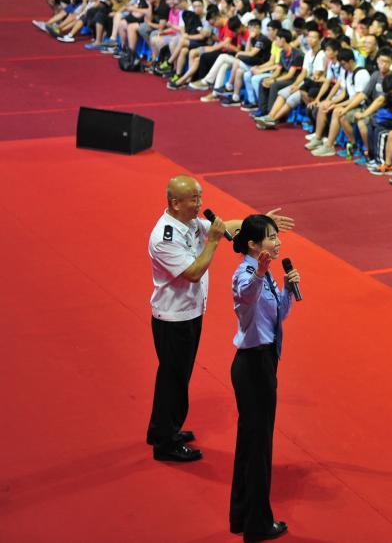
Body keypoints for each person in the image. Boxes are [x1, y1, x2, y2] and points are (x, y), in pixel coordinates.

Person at [147, 176, 293, 462]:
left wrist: (261, 222)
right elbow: (193, 272)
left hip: (189, 312)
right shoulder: (164, 236)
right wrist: (212, 242)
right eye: (194, 200)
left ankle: (162, 428)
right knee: (174, 378)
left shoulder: (188, 222)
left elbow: (226, 227)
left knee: (176, 376)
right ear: (175, 203)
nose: (200, 205)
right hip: (173, 317)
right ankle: (166, 441)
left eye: (200, 198)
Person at [229, 215, 299, 541]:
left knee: (250, 443)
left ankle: (242, 514)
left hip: (266, 359)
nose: (277, 242)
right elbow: (246, 297)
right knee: (259, 449)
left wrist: (287, 289)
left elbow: (277, 316)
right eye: (271, 237)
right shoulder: (246, 273)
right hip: (253, 366)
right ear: (254, 244)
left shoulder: (265, 271)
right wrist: (260, 273)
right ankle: (258, 524)